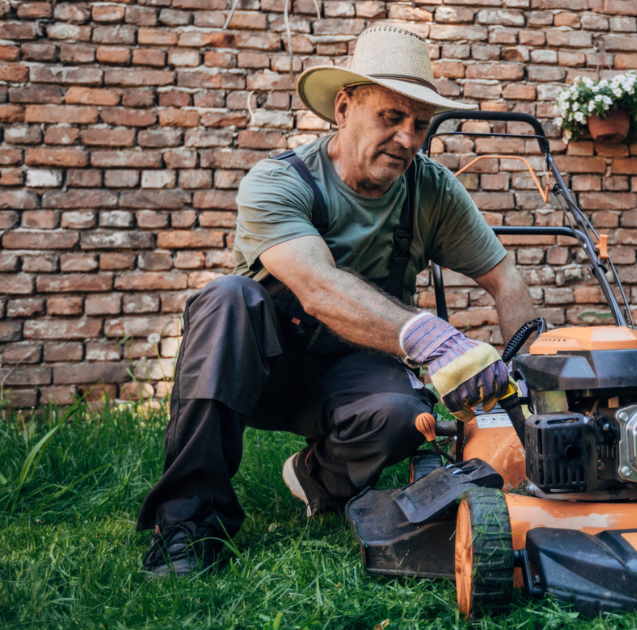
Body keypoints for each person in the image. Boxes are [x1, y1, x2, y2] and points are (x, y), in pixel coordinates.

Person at [137, 24, 537, 577]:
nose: (409, 139)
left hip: (351, 372)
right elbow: (319, 287)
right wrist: (432, 338)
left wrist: (527, 383)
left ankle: (316, 477)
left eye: (420, 124)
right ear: (343, 107)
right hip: (253, 373)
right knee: (227, 298)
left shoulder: (432, 190)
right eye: (391, 118)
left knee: (405, 414)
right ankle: (187, 522)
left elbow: (505, 280)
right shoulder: (279, 182)